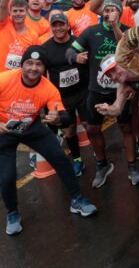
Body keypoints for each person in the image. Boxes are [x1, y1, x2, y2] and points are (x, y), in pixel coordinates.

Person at [0, 45, 97, 235]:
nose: (33, 68)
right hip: (2, 131)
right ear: (22, 65)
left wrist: (58, 119)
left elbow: (64, 116)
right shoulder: (4, 80)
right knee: (7, 177)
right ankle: (12, 213)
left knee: (60, 159)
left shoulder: (48, 88)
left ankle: (77, 199)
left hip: (31, 128)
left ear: (44, 69)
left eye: (38, 64)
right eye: (29, 63)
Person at [67, 0, 139, 187]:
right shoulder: (92, 31)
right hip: (97, 90)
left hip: (121, 89)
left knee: (126, 128)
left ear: (119, 12)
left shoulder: (127, 31)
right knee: (92, 129)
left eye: (113, 10)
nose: (109, 13)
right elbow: (70, 50)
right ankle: (102, 165)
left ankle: (132, 167)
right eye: (106, 10)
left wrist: (116, 26)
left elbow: (129, 49)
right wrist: (76, 56)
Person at [41, 11, 90, 176]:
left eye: (61, 24)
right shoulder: (46, 49)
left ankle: (100, 158)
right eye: (55, 25)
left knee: (91, 127)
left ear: (68, 26)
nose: (58, 28)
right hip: (62, 97)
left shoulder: (78, 42)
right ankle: (77, 160)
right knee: (69, 131)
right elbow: (41, 76)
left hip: (83, 93)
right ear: (51, 28)